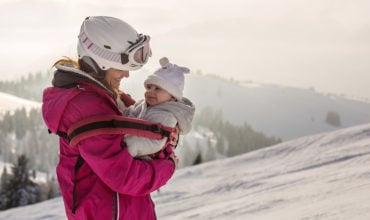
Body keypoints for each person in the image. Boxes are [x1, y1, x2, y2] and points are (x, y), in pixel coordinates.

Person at [42, 16, 179, 220]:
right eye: (121, 67)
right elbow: (125, 177)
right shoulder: (87, 107)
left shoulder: (106, 97)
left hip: (124, 210)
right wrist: (169, 165)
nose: (127, 75)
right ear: (102, 63)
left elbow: (147, 127)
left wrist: (166, 136)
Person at [123, 57, 195, 160]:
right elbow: (129, 114)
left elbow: (155, 142)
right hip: (132, 145)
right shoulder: (144, 104)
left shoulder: (167, 116)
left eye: (157, 88)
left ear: (172, 96)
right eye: (149, 87)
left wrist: (130, 145)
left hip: (146, 156)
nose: (150, 91)